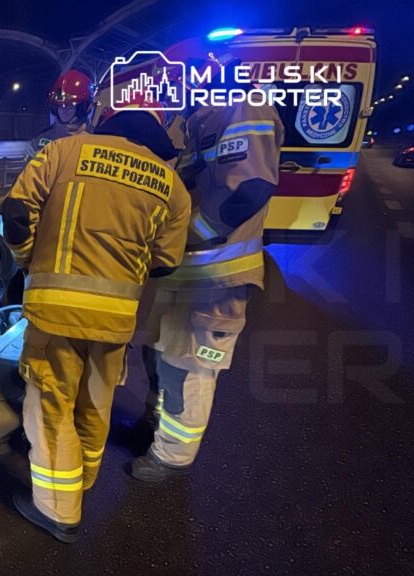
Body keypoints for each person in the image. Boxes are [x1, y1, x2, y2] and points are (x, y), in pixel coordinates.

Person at [2, 96, 191, 542]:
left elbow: (15, 212)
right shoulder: (172, 185)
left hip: (56, 312)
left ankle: (57, 510)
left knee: (51, 408)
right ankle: (81, 483)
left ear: (107, 120)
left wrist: (27, 260)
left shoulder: (65, 150)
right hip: (116, 321)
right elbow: (166, 262)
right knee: (95, 404)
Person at [130, 40, 284, 482]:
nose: (174, 89)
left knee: (191, 367)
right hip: (185, 273)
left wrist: (185, 236)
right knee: (158, 354)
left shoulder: (244, 107)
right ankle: (157, 428)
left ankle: (173, 456)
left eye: (180, 79)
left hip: (217, 274)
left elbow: (250, 190)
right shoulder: (199, 119)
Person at [24, 69, 95, 160]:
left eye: (69, 106)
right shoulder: (43, 138)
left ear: (83, 108)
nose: (63, 111)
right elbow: (29, 172)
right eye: (60, 106)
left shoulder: (96, 138)